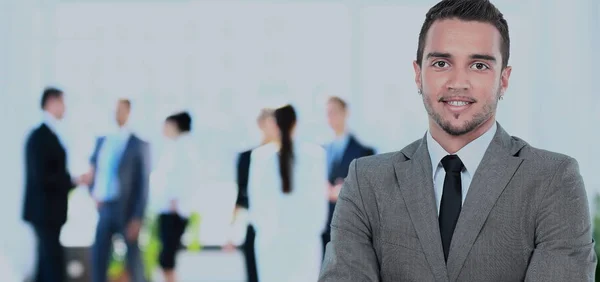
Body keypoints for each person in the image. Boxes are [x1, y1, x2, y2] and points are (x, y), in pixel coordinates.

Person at [319, 0, 596, 281]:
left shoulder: (553, 180)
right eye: (441, 63)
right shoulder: (367, 183)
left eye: (478, 65)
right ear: (418, 75)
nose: (458, 82)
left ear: (504, 79)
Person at [248, 104, 328, 282]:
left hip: (270, 242)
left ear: (273, 124)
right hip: (305, 242)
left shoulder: (260, 157)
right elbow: (319, 206)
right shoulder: (316, 155)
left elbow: (256, 205)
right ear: (296, 123)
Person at [22, 87, 85, 282]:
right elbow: (43, 177)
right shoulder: (39, 136)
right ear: (51, 102)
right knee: (52, 265)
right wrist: (74, 180)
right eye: (62, 102)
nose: (65, 108)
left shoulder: (51, 134)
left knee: (45, 264)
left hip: (50, 213)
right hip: (44, 212)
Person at [85, 99, 151, 282]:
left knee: (134, 259)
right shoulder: (102, 140)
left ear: (129, 112)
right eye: (114, 110)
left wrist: (138, 217)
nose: (116, 114)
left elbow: (143, 183)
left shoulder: (138, 144)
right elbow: (92, 171)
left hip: (127, 210)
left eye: (120, 110)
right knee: (99, 256)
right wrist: (93, 193)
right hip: (104, 206)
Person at [225, 108, 278, 282]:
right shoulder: (247, 157)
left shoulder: (286, 157)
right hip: (255, 225)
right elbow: (240, 196)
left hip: (280, 226)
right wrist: (231, 231)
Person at [322, 96, 375, 256]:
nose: (331, 118)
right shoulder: (321, 151)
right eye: (328, 113)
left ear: (346, 113)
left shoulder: (364, 152)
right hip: (325, 227)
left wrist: (346, 190)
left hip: (351, 227)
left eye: (334, 112)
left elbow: (370, 191)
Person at [153, 111, 198, 282]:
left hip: (174, 212)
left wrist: (175, 203)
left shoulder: (183, 147)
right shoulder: (175, 146)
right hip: (170, 211)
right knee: (166, 260)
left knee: (167, 260)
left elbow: (184, 180)